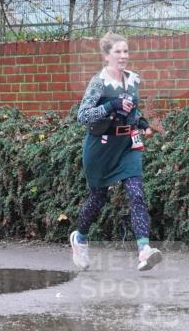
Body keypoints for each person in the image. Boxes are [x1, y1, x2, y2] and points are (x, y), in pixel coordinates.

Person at [70, 33, 163, 272]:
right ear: (106, 56)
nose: (123, 56)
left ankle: (144, 250)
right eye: (118, 52)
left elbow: (132, 110)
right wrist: (111, 105)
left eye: (126, 51)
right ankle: (80, 238)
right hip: (101, 147)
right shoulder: (99, 82)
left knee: (136, 193)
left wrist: (141, 122)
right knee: (98, 198)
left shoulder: (133, 79)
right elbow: (83, 115)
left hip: (126, 145)